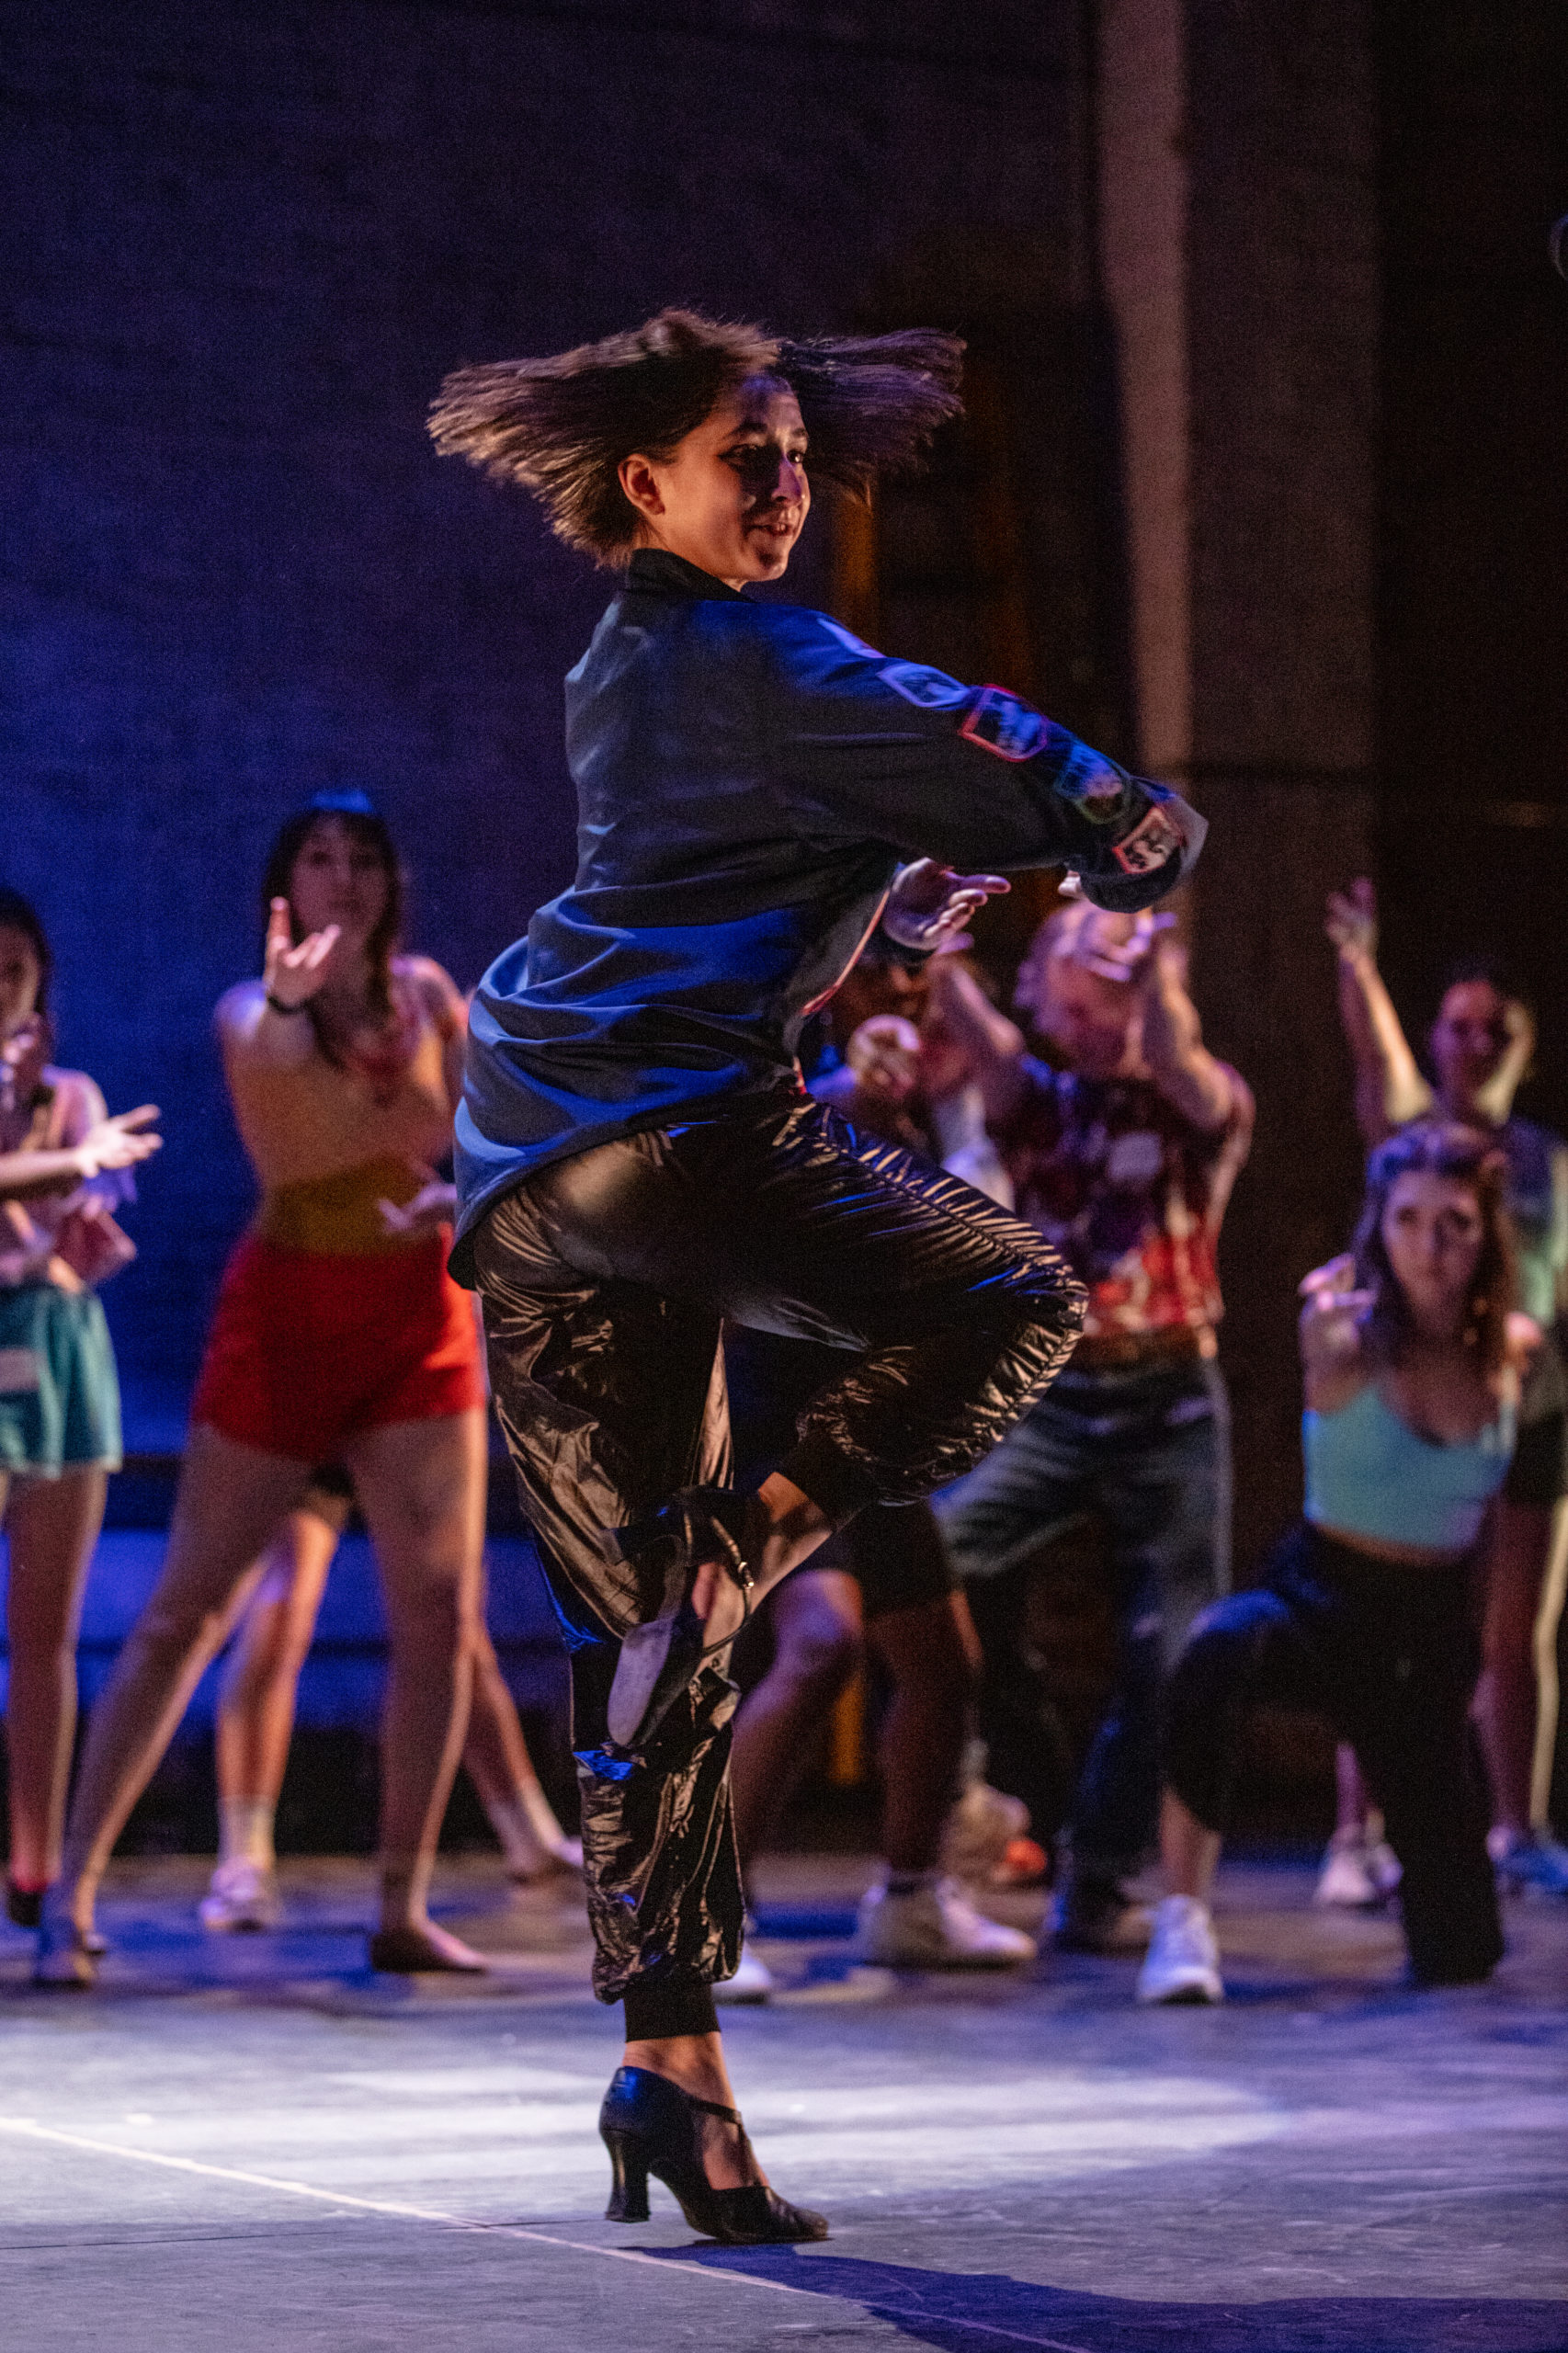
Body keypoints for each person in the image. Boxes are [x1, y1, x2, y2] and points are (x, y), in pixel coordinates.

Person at [427, 307, 1204, 2240]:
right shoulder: (765, 644)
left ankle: (666, 2068)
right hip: (677, 1128)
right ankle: (750, 1541)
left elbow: (734, 845)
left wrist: (876, 896)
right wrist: (1119, 822)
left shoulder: (623, 661)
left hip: (524, 1160)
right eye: (742, 458)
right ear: (646, 486)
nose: (782, 487)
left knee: (635, 1649)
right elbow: (991, 748)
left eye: (792, 457)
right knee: (1014, 1299)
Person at [36, 793, 491, 1984]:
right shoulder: (252, 1008)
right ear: (281, 886)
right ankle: (70, 1894)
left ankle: (402, 1902)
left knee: (440, 1612)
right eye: (318, 858)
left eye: (363, 860)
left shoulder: (434, 995)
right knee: (189, 1608)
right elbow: (296, 1150)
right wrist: (333, 1056)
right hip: (289, 1312)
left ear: (391, 882)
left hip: (416, 1314)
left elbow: (472, 1128)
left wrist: (457, 1185)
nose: (344, 878)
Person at [1138, 1120, 1521, 2003]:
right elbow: (1321, 1337)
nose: (1430, 1246)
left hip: (1425, 1637)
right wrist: (1319, 1326)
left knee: (1463, 1952)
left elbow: (1504, 1531)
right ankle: (1183, 1919)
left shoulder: (1518, 1357)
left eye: (1454, 1224)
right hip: (1323, 1598)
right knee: (1219, 1648)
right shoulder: (1344, 1337)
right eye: (1409, 1220)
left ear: (1486, 1234)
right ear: (1379, 1229)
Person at [934, 898, 1252, 1951]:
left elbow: (1173, 1052)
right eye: (1076, 969)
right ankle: (960, 1798)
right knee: (924, 1555)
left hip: (1169, 1398)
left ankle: (1102, 1869)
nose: (1091, 1002)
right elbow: (980, 1034)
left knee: (1173, 1649)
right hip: (1054, 1398)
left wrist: (1153, 965)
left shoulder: (1194, 1099)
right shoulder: (1039, 1097)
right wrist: (934, 941)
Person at [720, 951, 1037, 1995]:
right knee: (819, 1644)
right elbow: (795, 1119)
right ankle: (700, 1918)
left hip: (876, 1409)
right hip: (781, 1398)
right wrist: (864, 1082)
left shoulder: (935, 1084)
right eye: (893, 968)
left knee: (943, 1665)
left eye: (925, 974)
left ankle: (908, 1900)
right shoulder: (797, 1049)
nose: (908, 990)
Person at [1327, 880, 1568, 1898]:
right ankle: (1356, 1837)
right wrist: (1355, 963)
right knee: (1384, 1619)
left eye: (1493, 1029)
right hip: (1419, 1416)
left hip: (1527, 1413)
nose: (1473, 1044)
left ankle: (1516, 1827)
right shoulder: (1412, 1139)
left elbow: (1548, 1289)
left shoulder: (1542, 1161)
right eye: (1457, 1027)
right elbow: (1374, 1063)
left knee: (1515, 1630)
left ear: (1521, 1044)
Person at [199, 1463, 580, 1932]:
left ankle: (532, 1841)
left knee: (453, 1629)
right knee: (282, 1610)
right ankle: (244, 1860)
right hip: (313, 1418)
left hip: (407, 1409)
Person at [0, 889, 161, 1929]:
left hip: (54, 1354)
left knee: (48, 1635)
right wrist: (66, 1166)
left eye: (14, 967)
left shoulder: (71, 1093)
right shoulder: (61, 1130)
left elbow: (96, 1204)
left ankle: (40, 1864)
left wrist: (86, 1228)